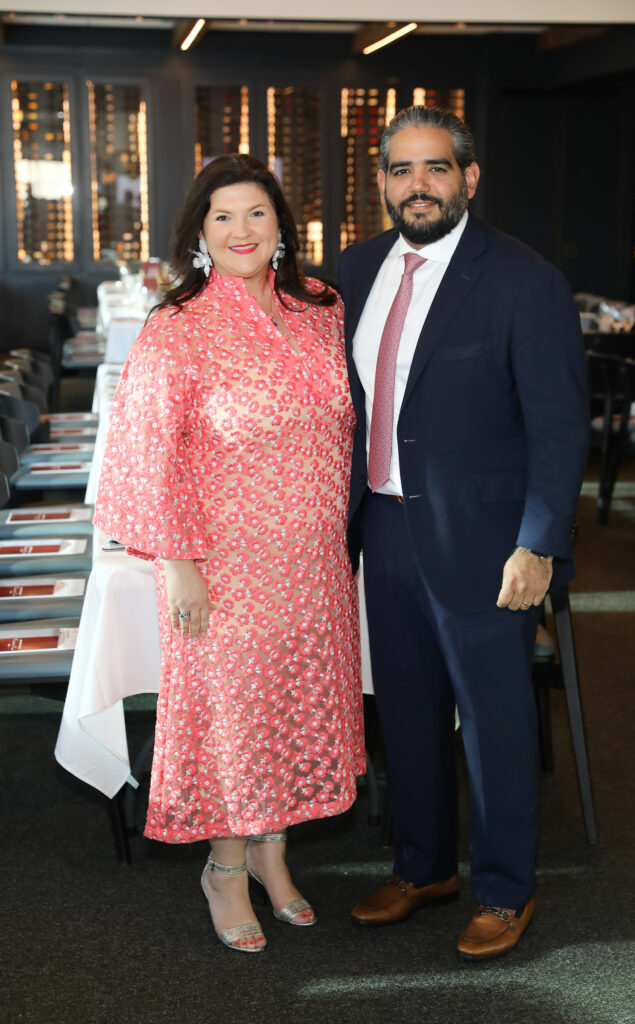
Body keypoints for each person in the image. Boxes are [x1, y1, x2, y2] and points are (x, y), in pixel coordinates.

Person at [94, 154, 365, 953]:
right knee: (234, 717)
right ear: (200, 234)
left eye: (255, 213)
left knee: (292, 702)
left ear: (280, 225)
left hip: (312, 556)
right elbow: (146, 450)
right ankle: (225, 868)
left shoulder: (319, 308)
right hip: (223, 561)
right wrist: (175, 560)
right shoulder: (178, 327)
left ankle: (275, 858)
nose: (241, 230)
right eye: (223, 217)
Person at [337, 105, 590, 960]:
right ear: (380, 182)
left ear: (468, 179)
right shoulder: (354, 271)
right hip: (383, 527)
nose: (417, 186)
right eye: (400, 170)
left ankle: (504, 889)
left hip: (490, 545)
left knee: (493, 722)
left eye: (435, 168)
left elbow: (558, 426)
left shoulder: (523, 280)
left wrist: (539, 543)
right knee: (404, 712)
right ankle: (422, 867)